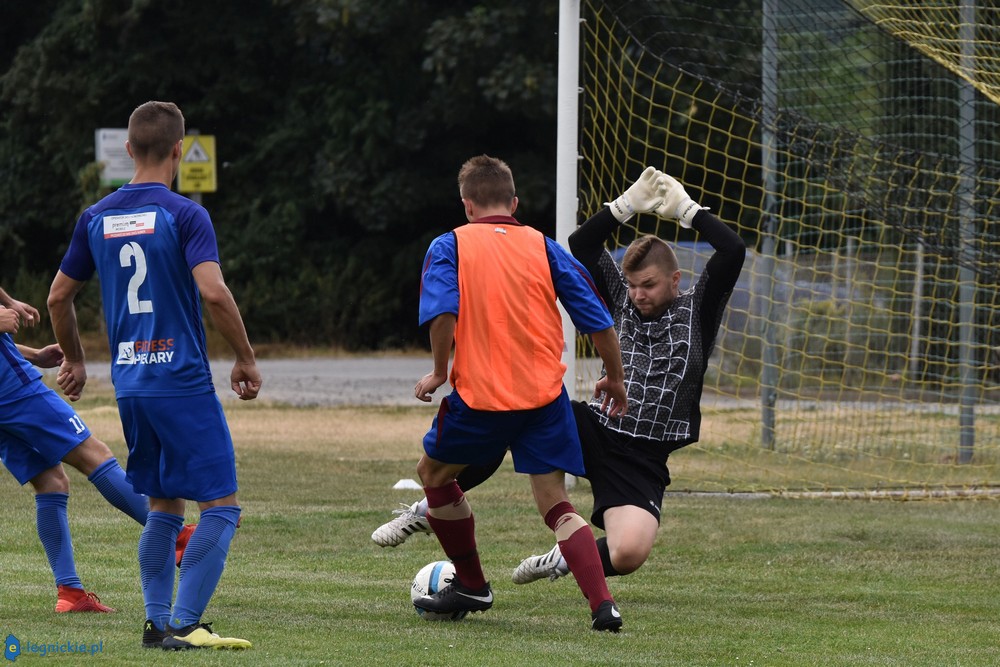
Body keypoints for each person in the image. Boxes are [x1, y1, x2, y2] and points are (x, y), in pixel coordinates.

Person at [373, 166, 746, 587]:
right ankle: (427, 508)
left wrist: (686, 210)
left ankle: (565, 556)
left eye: (650, 285)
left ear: (675, 280)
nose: (639, 294)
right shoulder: (622, 299)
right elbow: (582, 243)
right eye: (634, 285)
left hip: (643, 456)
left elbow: (732, 250)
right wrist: (624, 206)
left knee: (628, 553)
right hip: (595, 425)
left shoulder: (698, 309)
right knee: (507, 416)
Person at [47, 101, 261, 651]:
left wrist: (74, 358)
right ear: (177, 150)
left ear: (127, 150)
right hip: (182, 381)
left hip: (133, 385)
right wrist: (244, 356)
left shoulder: (95, 217)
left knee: (164, 505)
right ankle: (187, 624)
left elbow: (58, 296)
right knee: (222, 504)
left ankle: (156, 624)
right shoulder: (185, 214)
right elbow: (213, 291)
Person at [408, 155, 631, 632]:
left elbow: (443, 312)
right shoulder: (543, 246)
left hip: (482, 398)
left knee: (432, 473)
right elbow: (596, 318)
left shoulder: (449, 246)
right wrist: (614, 377)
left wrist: (438, 370)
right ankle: (603, 605)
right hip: (544, 399)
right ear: (514, 203)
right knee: (555, 502)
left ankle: (471, 582)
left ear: (467, 205)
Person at [0, 290, 152, 613]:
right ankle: (178, 536)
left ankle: (69, 592)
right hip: (11, 388)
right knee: (93, 453)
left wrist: (35, 355)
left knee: (52, 482)